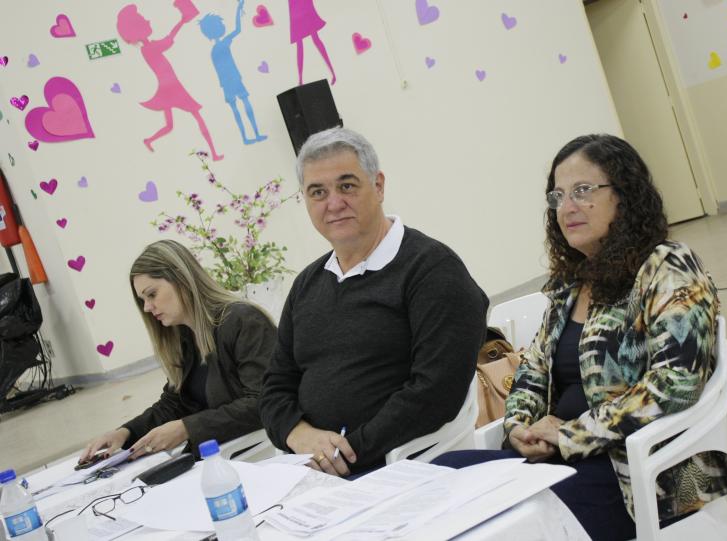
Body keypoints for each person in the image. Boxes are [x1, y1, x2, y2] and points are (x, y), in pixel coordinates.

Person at [433, 134, 727, 541]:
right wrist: (519, 427)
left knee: (502, 525)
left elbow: (677, 382)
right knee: (442, 475)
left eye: (582, 190)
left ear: (624, 195)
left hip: (649, 474)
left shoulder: (668, 266)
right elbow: (532, 368)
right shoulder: (572, 283)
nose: (567, 207)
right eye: (558, 196)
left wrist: (571, 435)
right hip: (559, 461)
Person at [259, 127, 488, 476]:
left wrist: (345, 453)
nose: (333, 203)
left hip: (401, 467)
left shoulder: (431, 269)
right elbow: (275, 386)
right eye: (318, 192)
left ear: (378, 186)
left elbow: (436, 391)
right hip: (315, 469)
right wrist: (298, 434)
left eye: (347, 186)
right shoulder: (306, 285)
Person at [79, 240, 277, 463]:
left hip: (254, 456)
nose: (147, 307)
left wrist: (186, 428)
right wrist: (125, 433)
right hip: (219, 456)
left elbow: (264, 400)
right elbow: (175, 403)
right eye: (143, 300)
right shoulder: (185, 336)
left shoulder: (244, 321)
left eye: (152, 294)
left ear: (181, 279)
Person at [117, 3, 224, 160]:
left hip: (168, 87)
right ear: (137, 29)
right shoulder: (148, 48)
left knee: (170, 125)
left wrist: (182, 21)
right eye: (143, 20)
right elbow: (168, 40)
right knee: (196, 115)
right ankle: (214, 153)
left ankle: (149, 140)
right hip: (172, 88)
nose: (148, 21)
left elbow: (167, 41)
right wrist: (181, 21)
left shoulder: (149, 47)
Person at [199, 0, 267, 145]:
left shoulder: (213, 51)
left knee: (236, 109)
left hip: (226, 82)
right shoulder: (224, 43)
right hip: (234, 79)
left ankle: (245, 138)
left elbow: (218, 70)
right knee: (245, 103)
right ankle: (255, 134)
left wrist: (223, 83)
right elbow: (237, 29)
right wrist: (238, 8)